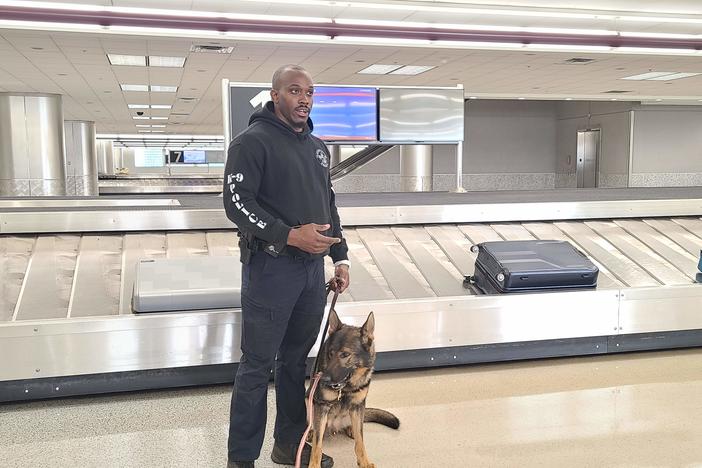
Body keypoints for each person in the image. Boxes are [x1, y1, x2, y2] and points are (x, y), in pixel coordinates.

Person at [223, 64, 350, 468]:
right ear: (275, 95)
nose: (304, 99)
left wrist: (340, 256)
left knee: (297, 363)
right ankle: (241, 458)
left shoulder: (317, 147)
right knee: (257, 366)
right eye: (295, 91)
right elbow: (237, 204)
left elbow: (327, 204)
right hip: (271, 270)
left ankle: (289, 446)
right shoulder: (251, 143)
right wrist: (289, 234)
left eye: (309, 92)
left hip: (312, 275)